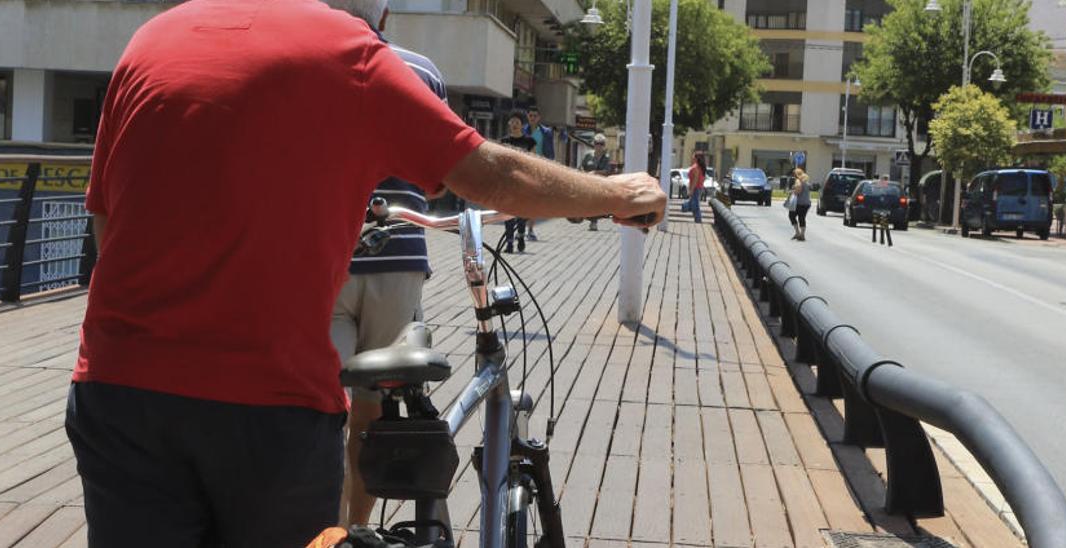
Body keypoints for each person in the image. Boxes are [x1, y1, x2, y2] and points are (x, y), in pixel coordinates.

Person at [67, 2, 666, 545]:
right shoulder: (345, 51)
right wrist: (613, 193)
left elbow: (104, 217)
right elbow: (490, 177)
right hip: (266, 404)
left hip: (118, 389)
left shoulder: (151, 40)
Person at [323, 0, 445, 529]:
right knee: (372, 408)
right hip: (396, 261)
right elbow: (434, 170)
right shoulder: (419, 72)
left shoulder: (308, 67)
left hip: (324, 258)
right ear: (386, 16)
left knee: (321, 406)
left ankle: (319, 531)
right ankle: (357, 527)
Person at [499, 111, 536, 253]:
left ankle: (520, 235)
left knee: (521, 212)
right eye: (512, 122)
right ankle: (509, 243)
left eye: (517, 122)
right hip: (508, 181)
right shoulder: (504, 141)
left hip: (523, 181)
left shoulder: (529, 141)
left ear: (522, 125)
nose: (514, 124)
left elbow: (534, 162)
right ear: (509, 124)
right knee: (507, 212)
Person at [523, 106, 555, 241]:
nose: (533, 118)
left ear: (539, 118)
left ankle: (530, 229)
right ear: (527, 116)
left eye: (535, 115)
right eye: (530, 115)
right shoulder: (522, 130)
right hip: (523, 168)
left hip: (538, 169)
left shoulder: (546, 132)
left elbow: (550, 152)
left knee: (533, 199)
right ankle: (521, 227)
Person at [580, 133, 612, 231]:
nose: (598, 146)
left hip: (600, 183)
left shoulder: (606, 157)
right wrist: (583, 174)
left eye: (601, 143)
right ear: (594, 144)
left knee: (596, 202)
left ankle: (594, 222)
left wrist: (595, 172)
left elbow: (607, 171)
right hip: (588, 182)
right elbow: (582, 166)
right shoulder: (588, 155)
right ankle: (588, 218)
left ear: (604, 145)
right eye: (596, 143)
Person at [788, 168, 812, 241]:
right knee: (802, 218)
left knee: (791, 216)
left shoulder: (798, 181)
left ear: (796, 175)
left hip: (799, 203)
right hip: (806, 203)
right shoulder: (806, 181)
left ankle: (798, 233)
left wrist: (792, 192)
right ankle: (802, 235)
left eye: (794, 174)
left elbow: (798, 190)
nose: (793, 176)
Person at [686, 152, 706, 224]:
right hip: (699, 187)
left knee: (696, 205)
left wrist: (691, 190)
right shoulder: (701, 167)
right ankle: (697, 220)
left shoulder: (696, 167)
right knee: (695, 204)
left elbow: (695, 180)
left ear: (697, 158)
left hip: (696, 188)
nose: (692, 157)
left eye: (693, 155)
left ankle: (698, 220)